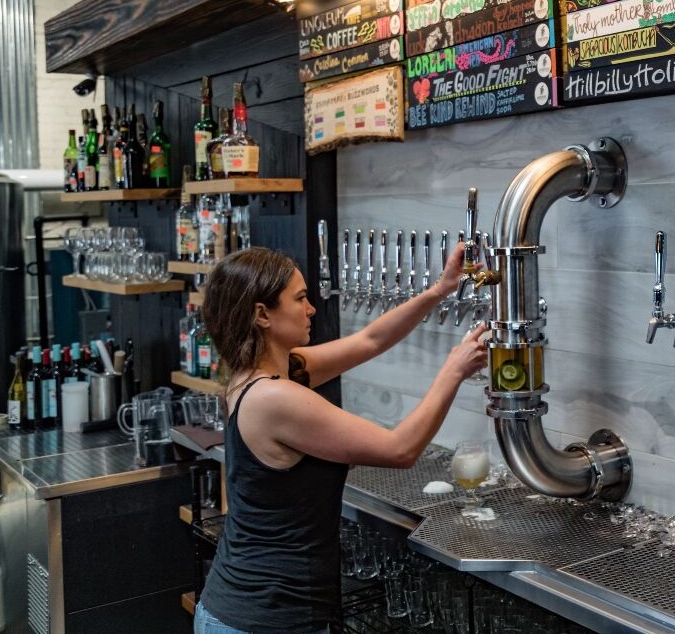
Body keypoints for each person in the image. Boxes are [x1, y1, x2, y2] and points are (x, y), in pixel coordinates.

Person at [193, 244, 488, 634]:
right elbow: (400, 449)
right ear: (262, 315)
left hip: (252, 610)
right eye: (299, 299)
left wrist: (439, 291)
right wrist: (453, 370)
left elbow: (370, 340)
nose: (312, 308)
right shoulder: (273, 398)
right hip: (265, 619)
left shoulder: (262, 376)